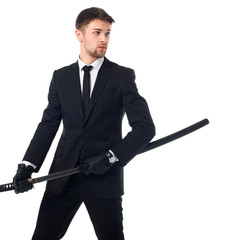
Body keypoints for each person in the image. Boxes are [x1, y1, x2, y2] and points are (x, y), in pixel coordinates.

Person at [13, 7, 155, 240]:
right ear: (79, 34)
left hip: (104, 177)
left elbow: (145, 128)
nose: (103, 39)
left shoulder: (122, 76)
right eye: (97, 32)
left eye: (108, 33)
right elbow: (48, 124)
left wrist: (111, 156)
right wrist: (28, 165)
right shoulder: (61, 77)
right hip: (63, 177)